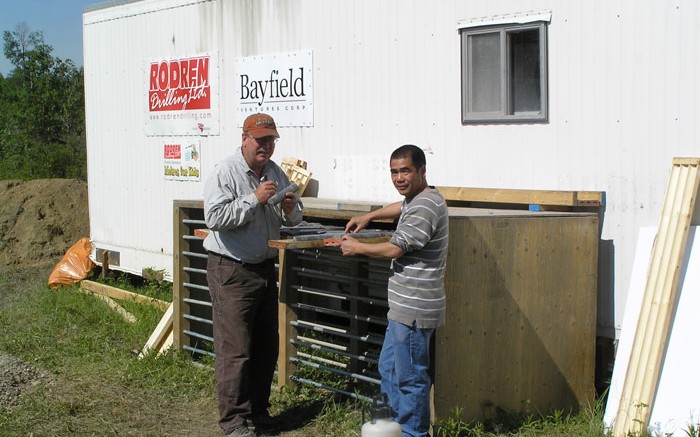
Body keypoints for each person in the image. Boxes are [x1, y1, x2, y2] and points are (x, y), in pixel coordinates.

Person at [203, 113, 303, 437]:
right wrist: (254, 199)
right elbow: (214, 217)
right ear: (244, 138)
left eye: (271, 140)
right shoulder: (226, 171)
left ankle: (258, 412)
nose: (266, 146)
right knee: (235, 350)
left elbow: (296, 217)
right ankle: (233, 423)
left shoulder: (274, 171)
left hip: (264, 269)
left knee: (266, 347)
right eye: (260, 140)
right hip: (231, 270)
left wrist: (290, 209)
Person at [340, 144, 448, 437]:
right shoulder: (417, 199)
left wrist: (357, 247)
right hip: (402, 308)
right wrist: (370, 216)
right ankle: (391, 428)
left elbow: (395, 249)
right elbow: (400, 207)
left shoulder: (425, 206)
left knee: (411, 378)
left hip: (414, 309)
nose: (399, 178)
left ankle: (414, 433)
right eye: (394, 171)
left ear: (422, 171)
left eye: (406, 171)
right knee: (389, 369)